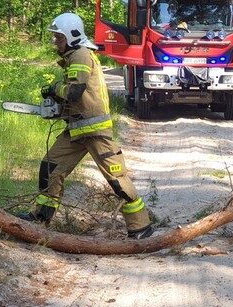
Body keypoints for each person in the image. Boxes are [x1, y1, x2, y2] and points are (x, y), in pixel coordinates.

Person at [17, 12, 154, 239]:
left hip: (95, 131)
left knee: (117, 180)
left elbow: (74, 91)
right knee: (50, 167)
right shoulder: (73, 55)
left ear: (72, 36)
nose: (55, 42)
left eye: (59, 37)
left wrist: (54, 88)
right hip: (77, 129)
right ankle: (41, 218)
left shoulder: (80, 55)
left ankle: (141, 226)